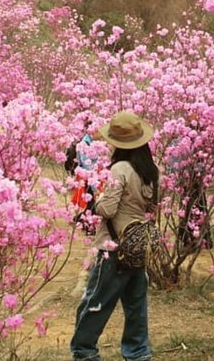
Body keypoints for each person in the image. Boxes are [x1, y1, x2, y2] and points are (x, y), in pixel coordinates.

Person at [71, 110, 159, 361]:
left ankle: (85, 352)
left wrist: (96, 198)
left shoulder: (120, 169)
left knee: (96, 302)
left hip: (113, 248)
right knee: (136, 306)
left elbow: (107, 209)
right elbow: (151, 207)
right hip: (138, 246)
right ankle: (138, 353)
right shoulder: (151, 170)